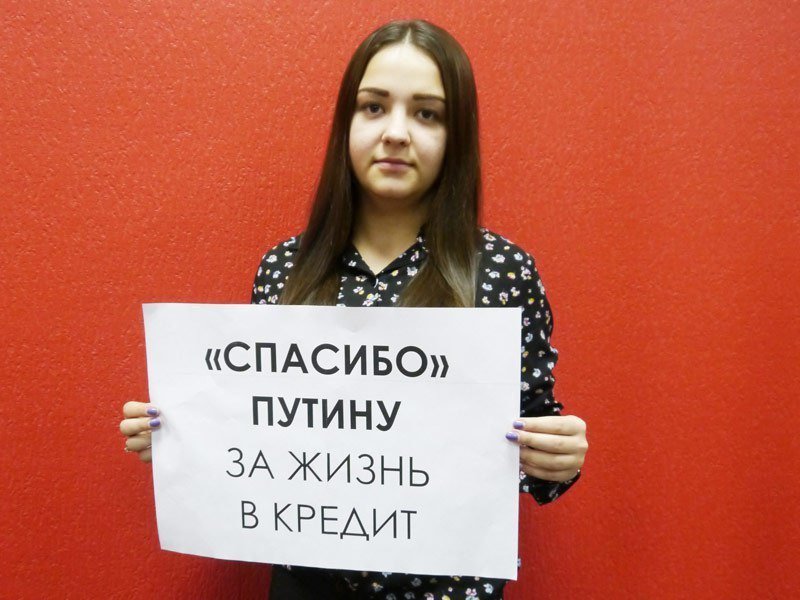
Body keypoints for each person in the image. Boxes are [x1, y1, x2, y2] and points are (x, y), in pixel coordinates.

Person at [120, 19, 588, 599]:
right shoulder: (285, 268)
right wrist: (180, 436)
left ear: (457, 135)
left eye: (427, 114)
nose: (396, 132)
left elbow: (534, 450)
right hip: (306, 585)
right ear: (346, 122)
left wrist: (560, 457)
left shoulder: (501, 271)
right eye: (373, 107)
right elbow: (261, 430)